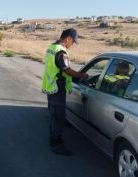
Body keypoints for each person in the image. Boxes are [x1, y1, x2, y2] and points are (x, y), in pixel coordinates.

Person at [41, 28, 88, 156]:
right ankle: (56, 145)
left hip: (51, 87)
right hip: (57, 88)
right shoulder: (60, 52)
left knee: (53, 116)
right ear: (68, 38)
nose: (72, 45)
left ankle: (53, 139)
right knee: (58, 118)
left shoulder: (52, 47)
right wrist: (81, 75)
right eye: (73, 42)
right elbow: (66, 70)